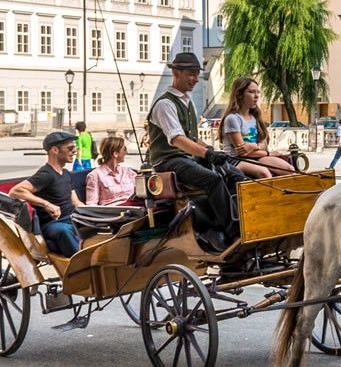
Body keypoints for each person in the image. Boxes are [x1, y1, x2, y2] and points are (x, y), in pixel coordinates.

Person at [145, 51, 242, 253]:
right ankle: (232, 231)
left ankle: (239, 217)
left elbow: (191, 137)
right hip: (168, 160)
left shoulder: (187, 102)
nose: (196, 79)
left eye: (197, 74)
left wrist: (210, 150)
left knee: (234, 174)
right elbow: (178, 140)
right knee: (213, 179)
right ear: (176, 73)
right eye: (191, 74)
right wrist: (206, 154)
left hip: (185, 157)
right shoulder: (165, 104)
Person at [10, 129, 84, 257]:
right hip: (53, 224)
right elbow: (15, 191)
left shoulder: (66, 174)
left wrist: (95, 212)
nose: (74, 151)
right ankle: (80, 265)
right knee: (64, 231)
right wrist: (46, 204)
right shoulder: (46, 174)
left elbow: (76, 202)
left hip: (71, 218)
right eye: (70, 148)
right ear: (55, 150)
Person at [218, 76, 296, 179]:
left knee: (289, 169)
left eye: (257, 92)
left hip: (256, 156)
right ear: (239, 95)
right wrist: (266, 151)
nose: (256, 96)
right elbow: (243, 152)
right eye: (251, 92)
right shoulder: (232, 119)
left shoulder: (255, 117)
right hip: (235, 159)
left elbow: (263, 144)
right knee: (264, 173)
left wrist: (254, 146)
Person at [84, 134, 140, 206]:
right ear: (115, 154)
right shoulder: (95, 175)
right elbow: (91, 204)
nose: (127, 152)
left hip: (134, 209)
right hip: (113, 213)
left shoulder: (129, 172)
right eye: (124, 149)